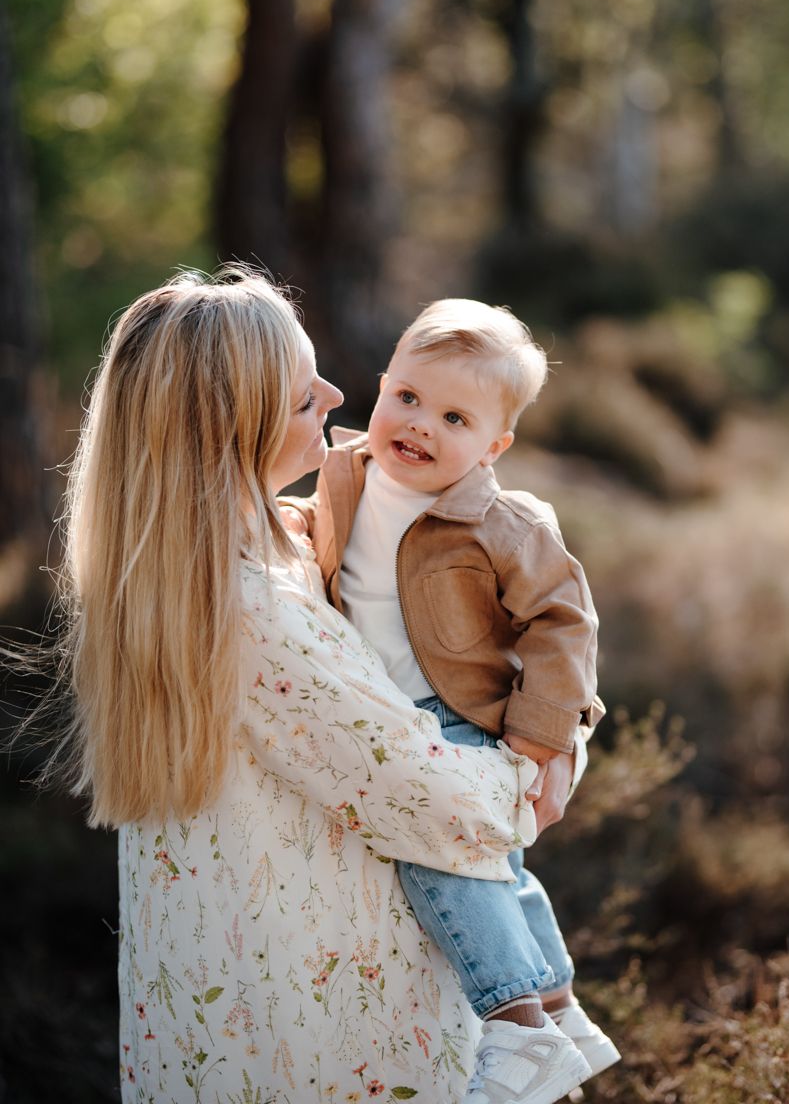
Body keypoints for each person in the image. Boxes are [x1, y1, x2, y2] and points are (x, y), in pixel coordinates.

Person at [37, 267, 571, 1103]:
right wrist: (540, 761)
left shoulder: (249, 553)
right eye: (297, 396)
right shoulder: (246, 605)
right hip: (317, 1034)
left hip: (254, 1011)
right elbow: (442, 802)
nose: (332, 393)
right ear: (229, 426)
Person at [282, 298, 621, 1104]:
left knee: (441, 853)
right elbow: (322, 536)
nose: (420, 425)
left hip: (465, 719)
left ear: (492, 445)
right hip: (384, 709)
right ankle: (560, 1005)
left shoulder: (505, 523)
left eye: (454, 417)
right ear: (381, 386)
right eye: (407, 398)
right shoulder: (344, 474)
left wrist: (542, 742)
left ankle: (515, 1023)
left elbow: (564, 625)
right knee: (497, 866)